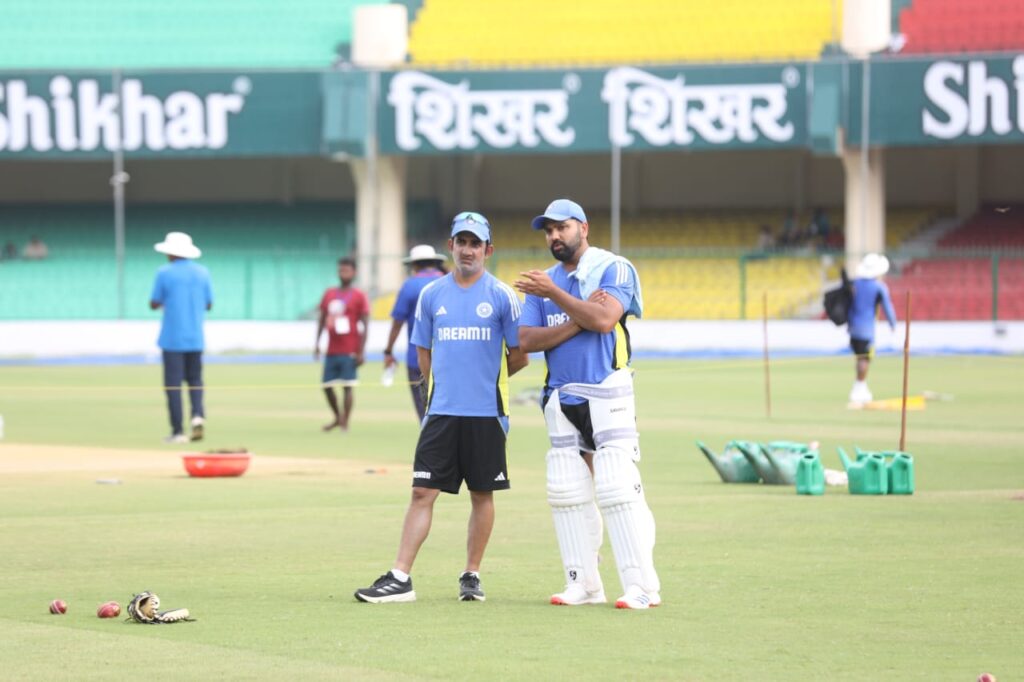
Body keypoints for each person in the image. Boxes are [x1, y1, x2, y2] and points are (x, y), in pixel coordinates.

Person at [354, 211, 528, 604]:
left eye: (475, 243)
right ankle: (400, 577)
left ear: (488, 249)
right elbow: (423, 354)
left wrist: (485, 384)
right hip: (442, 414)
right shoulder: (432, 296)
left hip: (487, 414)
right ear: (450, 246)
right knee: (421, 492)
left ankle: (472, 574)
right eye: (461, 242)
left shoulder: (502, 296)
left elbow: (519, 356)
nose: (467, 250)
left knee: (482, 494)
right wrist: (445, 391)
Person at [514, 198, 661, 610]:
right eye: (548, 231)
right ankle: (584, 583)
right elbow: (527, 341)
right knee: (566, 490)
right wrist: (579, 312)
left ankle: (641, 587)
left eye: (561, 227)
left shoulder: (614, 268)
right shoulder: (543, 282)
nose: (554, 236)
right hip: (562, 393)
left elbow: (604, 321)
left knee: (617, 487)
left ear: (584, 227)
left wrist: (563, 303)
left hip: (606, 387)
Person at [149, 232, 213, 444]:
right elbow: (209, 304)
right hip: (195, 337)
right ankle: (197, 415)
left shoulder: (164, 273)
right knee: (195, 380)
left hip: (172, 338)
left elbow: (154, 302)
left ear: (171, 252)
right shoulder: (203, 272)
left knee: (173, 385)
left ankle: (178, 431)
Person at [383, 244, 448, 422]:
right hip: (450, 356)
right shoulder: (450, 281)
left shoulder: (410, 286)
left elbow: (397, 323)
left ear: (414, 265)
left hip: (418, 358)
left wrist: (388, 351)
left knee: (426, 415)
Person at [315, 257, 369, 433]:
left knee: (348, 385)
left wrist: (361, 351)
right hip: (332, 349)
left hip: (350, 349)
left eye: (346, 270)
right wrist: (317, 342)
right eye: (340, 270)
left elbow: (365, 324)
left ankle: (345, 421)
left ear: (354, 273)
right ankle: (338, 417)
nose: (343, 273)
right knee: (327, 385)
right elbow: (322, 319)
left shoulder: (359, 295)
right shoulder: (329, 293)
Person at [847, 252, 897, 406]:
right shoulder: (878, 287)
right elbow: (888, 308)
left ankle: (861, 387)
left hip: (853, 328)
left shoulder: (854, 284)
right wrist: (893, 324)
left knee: (859, 358)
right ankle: (858, 388)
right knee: (865, 358)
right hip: (867, 330)